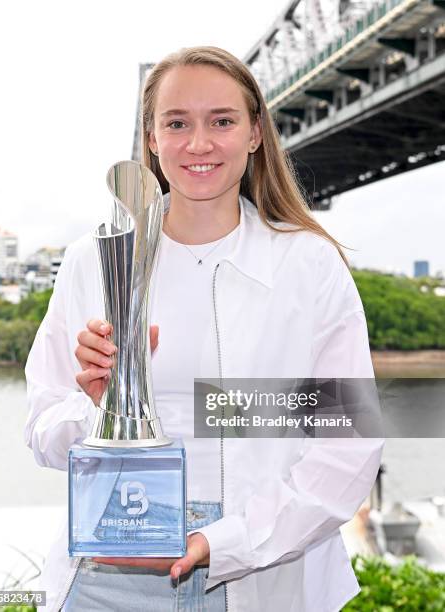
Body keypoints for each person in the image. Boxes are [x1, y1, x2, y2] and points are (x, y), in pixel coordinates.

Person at [24, 46, 384, 612]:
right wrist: (104, 407)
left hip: (261, 571)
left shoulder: (310, 266)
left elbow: (349, 444)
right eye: (176, 123)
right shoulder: (90, 260)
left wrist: (223, 543)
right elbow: (43, 430)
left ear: (255, 133)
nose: (198, 144)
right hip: (106, 572)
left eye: (222, 121)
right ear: (150, 137)